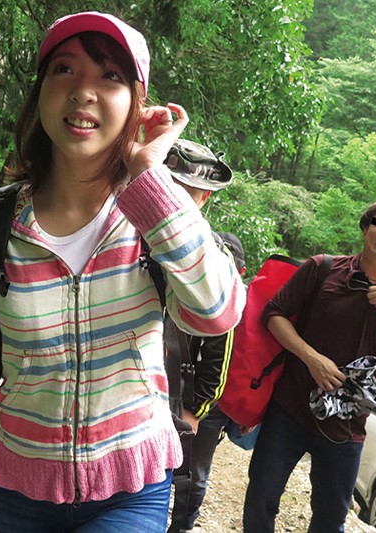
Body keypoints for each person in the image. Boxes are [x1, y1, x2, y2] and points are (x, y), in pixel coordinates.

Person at [0, 11, 246, 533]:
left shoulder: (156, 216)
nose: (83, 92)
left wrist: (150, 177)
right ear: (40, 93)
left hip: (131, 488)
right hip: (16, 492)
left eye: (110, 76)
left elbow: (217, 312)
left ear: (137, 104)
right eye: (64, 70)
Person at [242, 195, 376, 533]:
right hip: (290, 409)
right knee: (261, 498)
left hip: (347, 425)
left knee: (331, 519)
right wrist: (311, 357)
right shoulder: (323, 268)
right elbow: (274, 314)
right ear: (366, 229)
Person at [160, 140, 246, 533]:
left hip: (183, 392)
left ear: (204, 197)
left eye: (188, 190)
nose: (177, 196)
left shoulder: (212, 255)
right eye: (170, 184)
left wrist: (197, 408)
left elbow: (219, 341)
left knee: (189, 477)